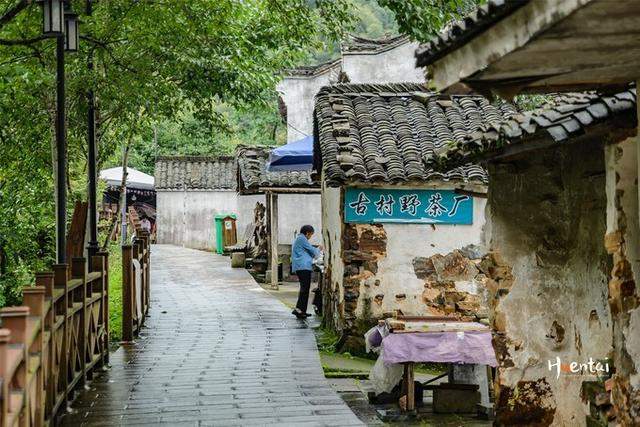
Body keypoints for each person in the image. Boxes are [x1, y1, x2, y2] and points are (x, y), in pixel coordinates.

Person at [291, 225, 322, 319]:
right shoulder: (302, 239)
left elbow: (310, 252)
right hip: (303, 267)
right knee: (305, 289)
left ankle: (301, 310)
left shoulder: (299, 239)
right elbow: (313, 251)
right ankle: (299, 310)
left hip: (301, 267)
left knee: (304, 289)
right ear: (307, 233)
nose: (310, 237)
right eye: (311, 235)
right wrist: (319, 248)